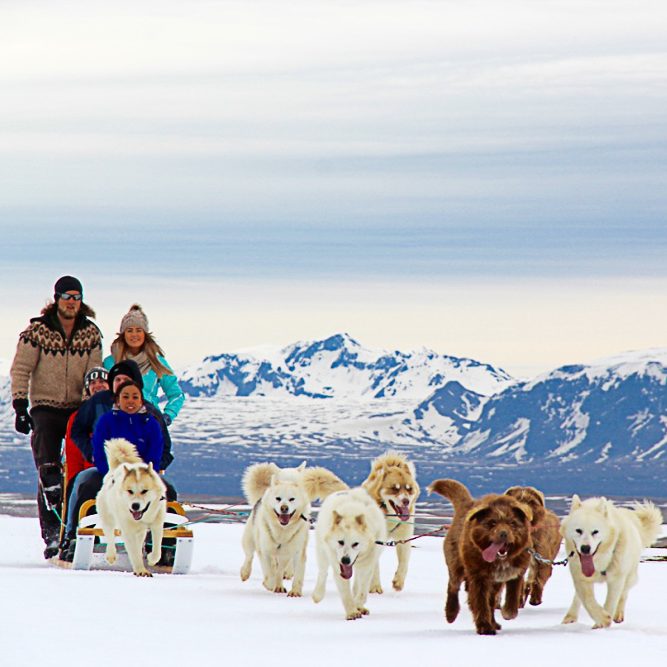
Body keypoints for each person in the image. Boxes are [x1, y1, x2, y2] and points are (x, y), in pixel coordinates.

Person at [10, 276, 102, 558]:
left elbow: (94, 373)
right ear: (57, 299)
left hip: (78, 407)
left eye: (76, 297)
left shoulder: (90, 333)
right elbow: (21, 368)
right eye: (67, 296)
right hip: (46, 407)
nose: (72, 302)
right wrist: (20, 405)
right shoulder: (37, 331)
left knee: (80, 472)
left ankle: (76, 529)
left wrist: (91, 409)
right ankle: (52, 534)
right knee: (48, 473)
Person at [64, 359, 176, 559]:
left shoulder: (151, 416)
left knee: (169, 492)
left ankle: (165, 545)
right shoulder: (105, 415)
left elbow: (161, 447)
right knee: (83, 484)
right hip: (108, 473)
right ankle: (72, 537)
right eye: (118, 380)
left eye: (127, 381)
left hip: (142, 476)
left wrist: (152, 470)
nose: (128, 395)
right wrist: (102, 465)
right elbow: (98, 445)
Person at [103, 304, 184, 426]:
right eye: (129, 330)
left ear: (145, 334)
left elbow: (177, 395)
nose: (134, 334)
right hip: (118, 424)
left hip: (149, 423)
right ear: (123, 334)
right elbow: (100, 393)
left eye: (139, 330)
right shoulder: (110, 363)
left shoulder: (157, 362)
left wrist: (167, 416)